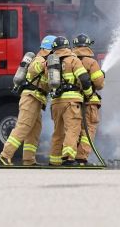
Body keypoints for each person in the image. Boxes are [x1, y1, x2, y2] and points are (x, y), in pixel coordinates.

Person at [0, 35, 56, 166]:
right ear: (50, 49)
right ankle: (5, 155)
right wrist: (49, 67)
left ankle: (29, 159)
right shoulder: (39, 60)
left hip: (37, 99)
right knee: (23, 126)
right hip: (30, 98)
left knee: (34, 130)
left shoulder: (44, 60)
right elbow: (36, 71)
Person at [48, 36, 93, 166]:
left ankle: (54, 160)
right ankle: (68, 158)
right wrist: (88, 94)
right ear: (67, 47)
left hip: (56, 102)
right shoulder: (73, 60)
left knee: (58, 132)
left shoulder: (50, 63)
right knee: (72, 130)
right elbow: (84, 79)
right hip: (71, 102)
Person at [72, 33, 105, 165]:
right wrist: (102, 76)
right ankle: (81, 158)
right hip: (90, 102)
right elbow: (99, 84)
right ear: (88, 46)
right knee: (88, 129)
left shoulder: (70, 61)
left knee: (73, 129)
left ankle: (69, 156)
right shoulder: (92, 62)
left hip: (73, 102)